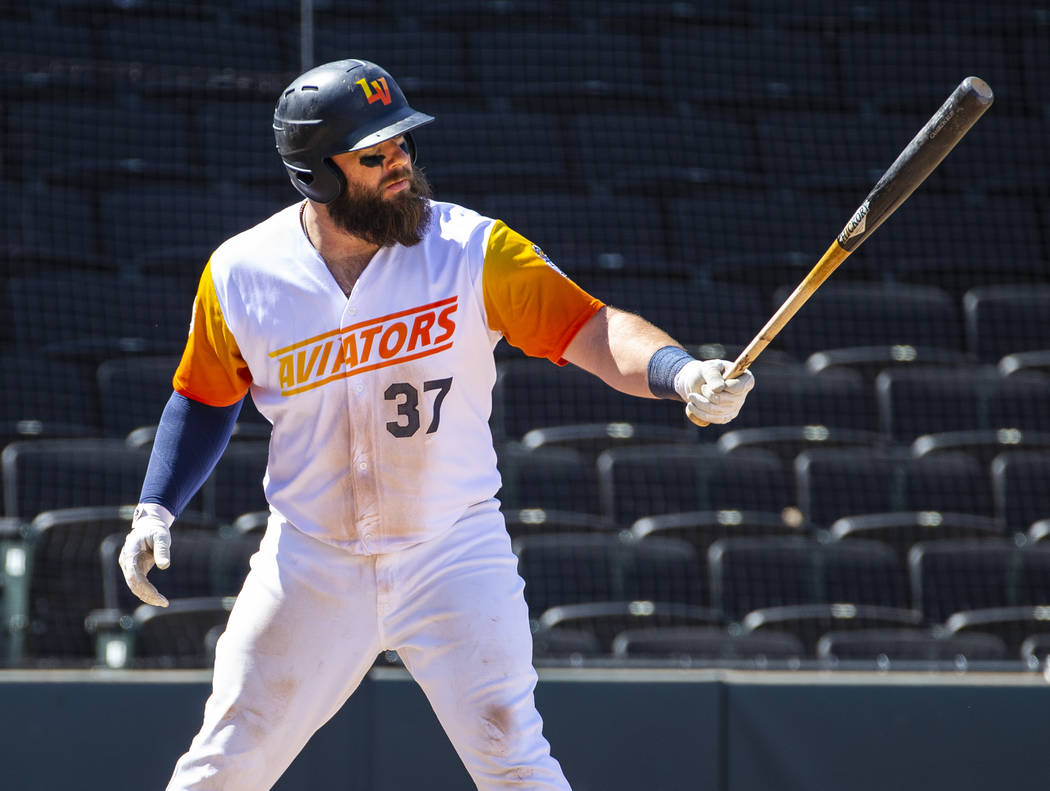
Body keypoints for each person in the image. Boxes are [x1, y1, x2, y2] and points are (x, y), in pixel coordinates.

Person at [118, 58, 755, 791]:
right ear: (314, 175)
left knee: (514, 758)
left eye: (402, 145)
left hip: (452, 549)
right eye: (373, 154)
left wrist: (680, 373)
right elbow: (203, 397)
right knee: (223, 764)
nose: (399, 164)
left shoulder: (470, 249)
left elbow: (590, 326)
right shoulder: (241, 273)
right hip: (311, 560)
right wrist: (155, 506)